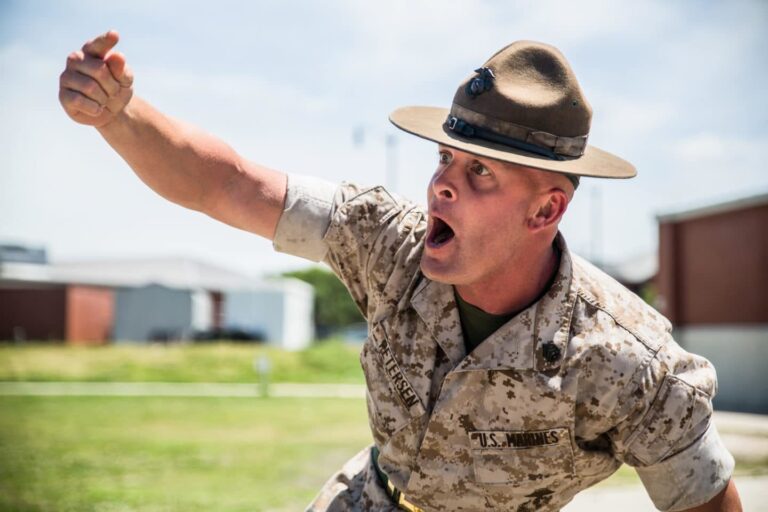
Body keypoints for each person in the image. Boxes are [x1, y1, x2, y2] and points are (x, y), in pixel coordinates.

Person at [59, 31, 742, 512]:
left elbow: (705, 506)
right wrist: (121, 116)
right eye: (444, 160)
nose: (442, 186)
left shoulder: (634, 364)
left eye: (479, 172)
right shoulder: (387, 245)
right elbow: (231, 186)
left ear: (545, 211)